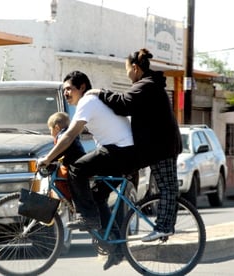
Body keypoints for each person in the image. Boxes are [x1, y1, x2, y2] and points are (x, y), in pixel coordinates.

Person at [38, 70, 136, 270]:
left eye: (69, 89)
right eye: (64, 90)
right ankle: (116, 250)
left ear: (82, 87)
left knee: (77, 169)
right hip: (124, 153)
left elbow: (69, 136)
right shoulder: (93, 103)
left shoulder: (87, 102)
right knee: (97, 196)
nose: (66, 93)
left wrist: (47, 159)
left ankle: (88, 217)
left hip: (119, 152)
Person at [86, 48, 182, 242]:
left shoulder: (146, 86)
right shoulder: (149, 85)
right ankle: (163, 227)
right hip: (160, 146)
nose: (127, 73)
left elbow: (123, 104)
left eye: (127, 69)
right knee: (167, 188)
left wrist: (101, 93)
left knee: (168, 188)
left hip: (160, 147)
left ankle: (164, 227)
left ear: (136, 68)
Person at [47, 111, 86, 201]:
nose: (51, 133)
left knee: (60, 180)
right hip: (77, 164)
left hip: (73, 167)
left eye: (50, 130)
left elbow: (59, 151)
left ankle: (69, 201)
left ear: (56, 127)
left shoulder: (62, 136)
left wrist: (48, 160)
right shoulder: (70, 133)